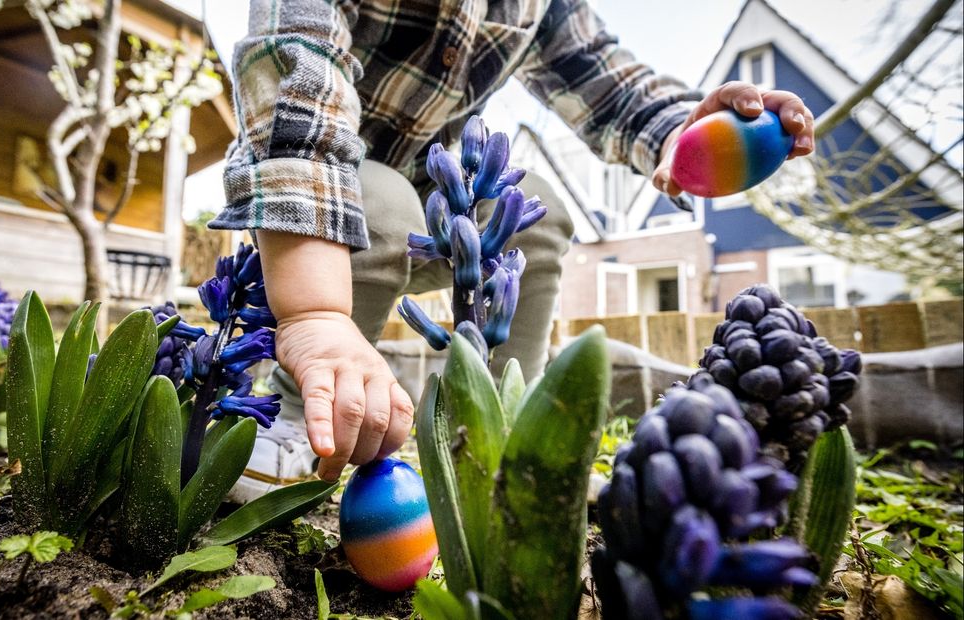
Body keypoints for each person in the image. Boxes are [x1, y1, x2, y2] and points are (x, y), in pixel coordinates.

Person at [213, 0, 816, 501]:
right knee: (383, 198)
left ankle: (496, 434)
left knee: (536, 209)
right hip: (306, 213)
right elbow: (296, 83)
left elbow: (609, 87)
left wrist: (682, 131)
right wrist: (315, 315)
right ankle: (296, 420)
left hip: (432, 204)